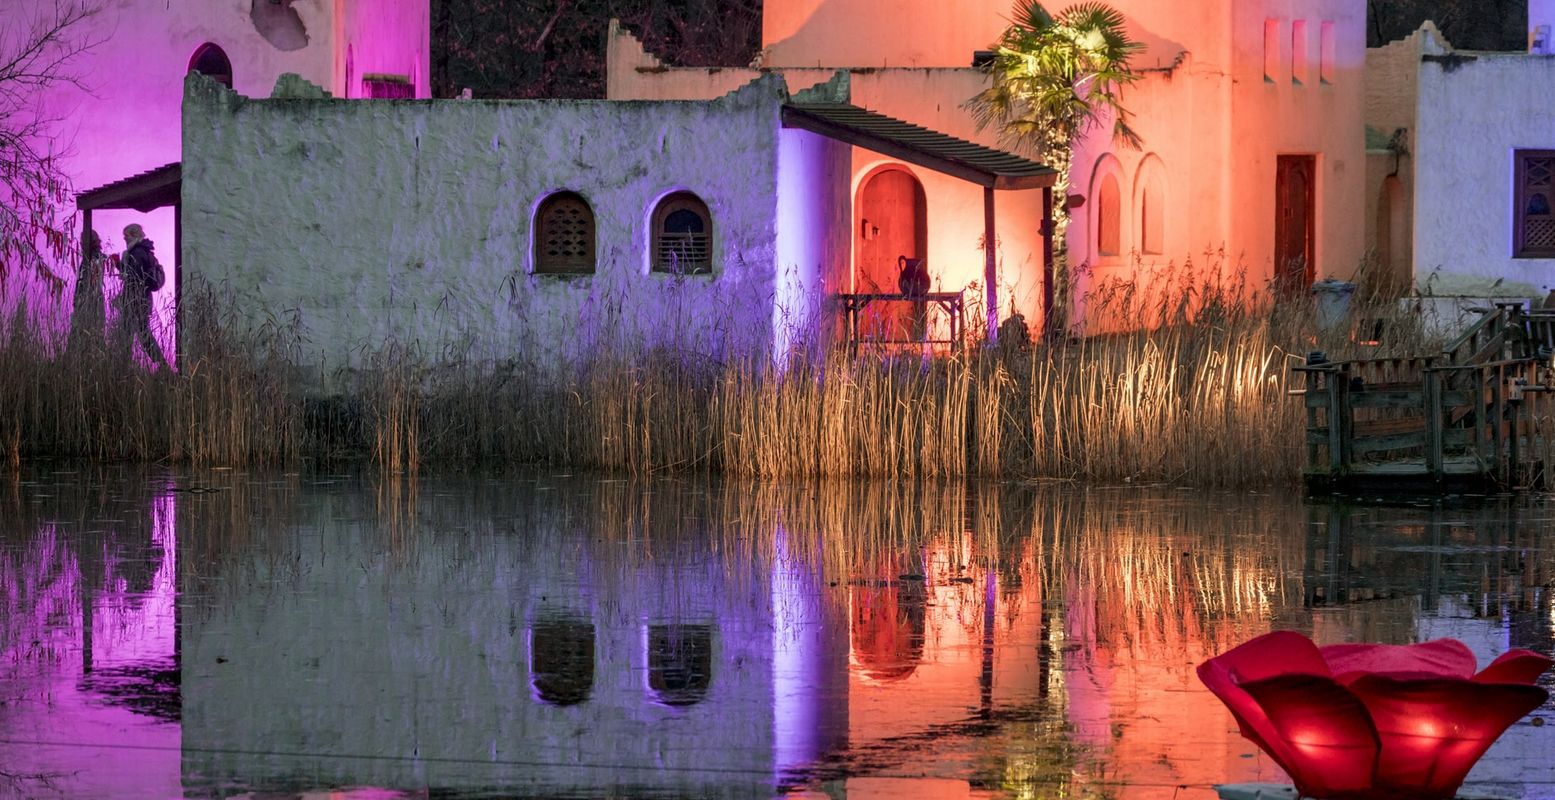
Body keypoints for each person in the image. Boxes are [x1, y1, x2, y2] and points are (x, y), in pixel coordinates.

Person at [115, 223, 170, 371]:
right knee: (137, 333)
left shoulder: (137, 252)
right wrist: (119, 265)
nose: (124, 238)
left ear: (133, 235)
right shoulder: (143, 251)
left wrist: (122, 298)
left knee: (133, 333)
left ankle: (125, 367)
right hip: (142, 300)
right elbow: (137, 275)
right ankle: (160, 365)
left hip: (135, 300)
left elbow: (134, 278)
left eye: (126, 235)